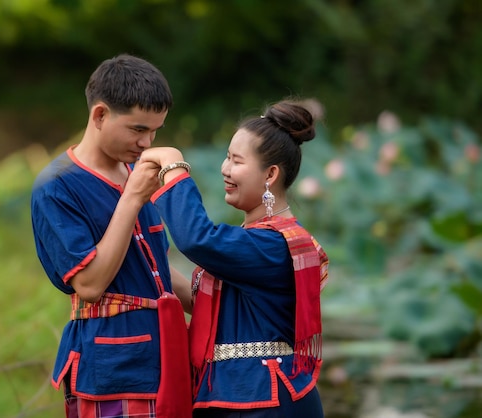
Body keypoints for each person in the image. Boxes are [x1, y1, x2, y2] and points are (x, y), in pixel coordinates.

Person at [137, 99, 330, 417]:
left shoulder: (273, 245)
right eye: (227, 158)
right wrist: (140, 249)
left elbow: (197, 239)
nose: (225, 169)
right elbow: (199, 302)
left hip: (264, 402)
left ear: (270, 174)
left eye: (237, 161)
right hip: (238, 397)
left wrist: (173, 164)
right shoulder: (257, 240)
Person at [30, 54, 192, 418]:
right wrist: (133, 197)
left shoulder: (134, 170)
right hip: (111, 370)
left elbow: (158, 268)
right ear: (100, 115)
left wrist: (224, 303)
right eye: (137, 130)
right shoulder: (57, 186)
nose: (146, 143)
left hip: (164, 360)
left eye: (155, 132)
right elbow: (89, 284)